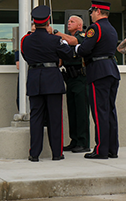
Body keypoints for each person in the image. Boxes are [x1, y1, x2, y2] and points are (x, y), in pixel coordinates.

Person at [20, 6, 73, 162]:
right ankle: (57, 153)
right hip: (52, 79)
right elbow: (69, 54)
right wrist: (60, 41)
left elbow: (25, 56)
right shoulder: (55, 40)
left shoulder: (25, 40)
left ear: (34, 23)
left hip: (35, 79)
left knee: (36, 118)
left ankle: (34, 154)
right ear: (48, 21)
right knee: (55, 118)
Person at [76, 0, 120, 159]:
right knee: (110, 111)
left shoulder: (95, 28)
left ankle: (101, 149)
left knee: (100, 112)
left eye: (92, 11)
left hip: (98, 72)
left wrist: (76, 48)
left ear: (98, 11)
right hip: (111, 70)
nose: (91, 14)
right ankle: (112, 149)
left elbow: (84, 49)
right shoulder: (112, 29)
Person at [55, 15, 90, 153]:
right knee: (72, 111)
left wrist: (56, 33)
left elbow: (74, 41)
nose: (69, 23)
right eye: (68, 21)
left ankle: (83, 142)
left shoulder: (83, 36)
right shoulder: (65, 40)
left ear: (80, 25)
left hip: (81, 78)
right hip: (69, 78)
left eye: (72, 22)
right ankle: (74, 140)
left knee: (81, 112)